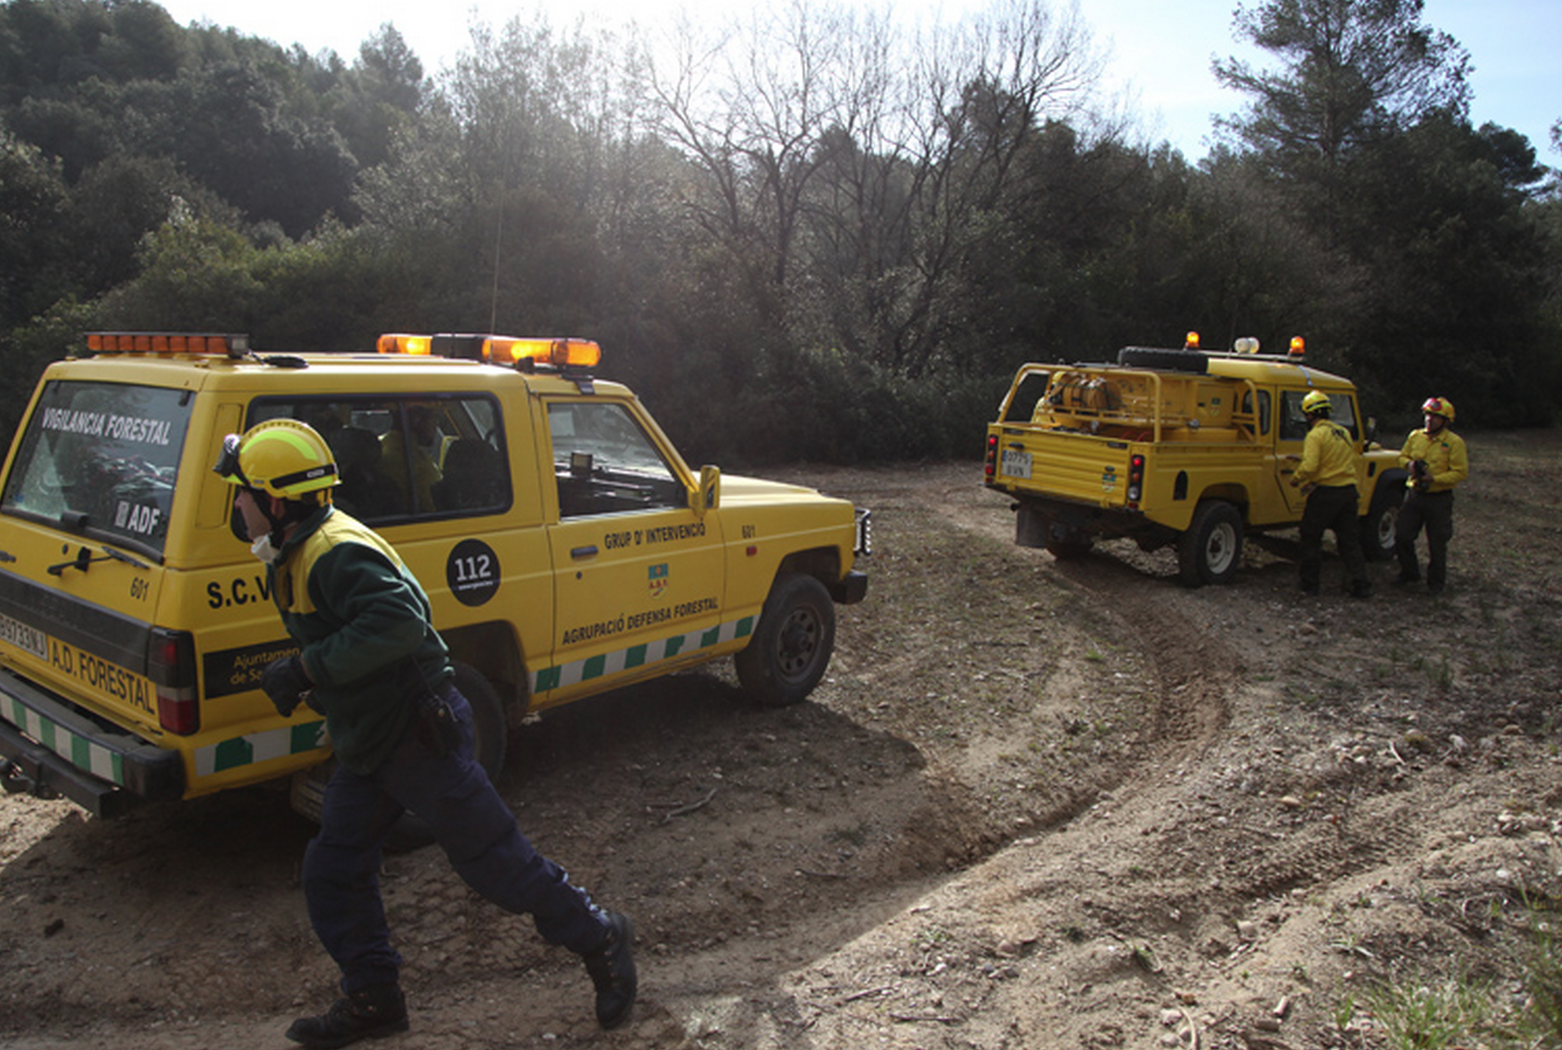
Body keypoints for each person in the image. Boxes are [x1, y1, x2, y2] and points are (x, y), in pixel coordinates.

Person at [213, 419, 636, 1048]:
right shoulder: (297, 547)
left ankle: (600, 936)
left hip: (417, 734)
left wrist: (306, 667)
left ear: (275, 501)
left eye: (240, 492)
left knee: (495, 863)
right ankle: (374, 997)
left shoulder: (335, 552)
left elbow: (402, 624)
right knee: (333, 869)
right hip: (371, 739)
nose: (235, 505)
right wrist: (319, 676)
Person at [1290, 390, 1372, 598]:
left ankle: (1310, 584)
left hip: (1326, 493)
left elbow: (1311, 467)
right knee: (1349, 542)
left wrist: (1297, 478)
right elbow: (1334, 457)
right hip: (1347, 493)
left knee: (1310, 537)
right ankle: (1360, 585)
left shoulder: (1315, 435)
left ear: (1309, 415)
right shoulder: (1342, 432)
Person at [1395, 396, 1469, 595]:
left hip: (1439, 498)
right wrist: (1409, 465)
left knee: (1437, 542)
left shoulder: (1454, 443)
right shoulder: (1415, 436)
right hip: (1415, 494)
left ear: (1445, 421)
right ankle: (1409, 572)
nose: (1429, 419)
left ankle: (1435, 583)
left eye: (1435, 417)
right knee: (1402, 535)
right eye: (1428, 415)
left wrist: (1434, 478)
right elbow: (1402, 456)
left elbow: (1460, 472)